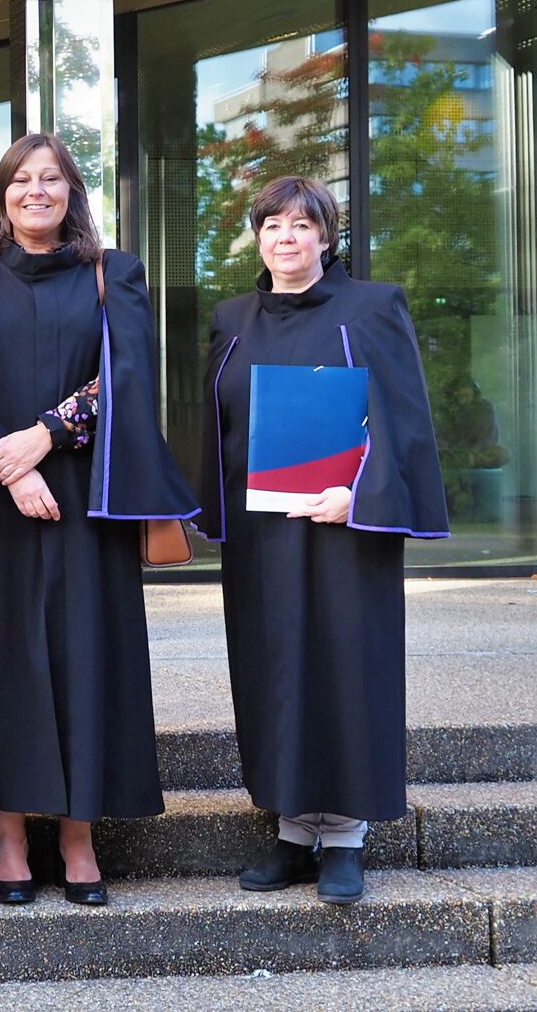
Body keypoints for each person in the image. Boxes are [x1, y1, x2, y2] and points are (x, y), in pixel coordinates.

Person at [0, 134, 198, 907]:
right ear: (2, 194)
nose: (36, 191)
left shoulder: (113, 274)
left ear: (72, 191)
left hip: (89, 495)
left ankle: (79, 838)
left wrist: (46, 436)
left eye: (51, 178)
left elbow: (123, 376)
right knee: (3, 663)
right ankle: (11, 838)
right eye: (21, 179)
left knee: (83, 659)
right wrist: (7, 464)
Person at [198, 174, 447, 906]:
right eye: (272, 224)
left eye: (302, 225)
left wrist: (361, 494)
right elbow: (221, 422)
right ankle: (291, 830)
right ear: (258, 236)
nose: (286, 237)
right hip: (261, 531)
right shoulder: (232, 316)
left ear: (327, 237)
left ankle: (344, 837)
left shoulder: (371, 307)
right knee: (275, 669)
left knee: (344, 661)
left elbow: (403, 417)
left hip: (345, 523)